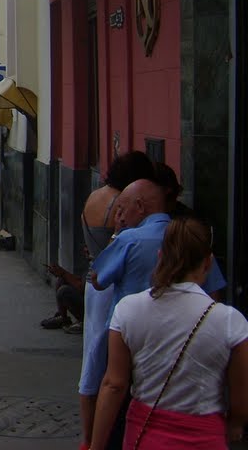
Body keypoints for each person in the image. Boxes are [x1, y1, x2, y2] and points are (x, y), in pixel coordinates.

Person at [89, 177, 227, 450]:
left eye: (122, 208)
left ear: (139, 206)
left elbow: (98, 280)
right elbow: (215, 295)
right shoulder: (191, 240)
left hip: (130, 340)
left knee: (122, 407)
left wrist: (117, 233)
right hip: (191, 354)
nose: (120, 215)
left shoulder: (129, 240)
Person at [75, 151, 157, 449]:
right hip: (111, 283)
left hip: (93, 281)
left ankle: (88, 436)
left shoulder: (94, 197)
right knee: (110, 355)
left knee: (92, 355)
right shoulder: (123, 204)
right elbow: (120, 247)